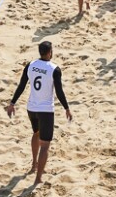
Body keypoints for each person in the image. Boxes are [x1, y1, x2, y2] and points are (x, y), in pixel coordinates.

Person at [5, 41, 72, 186]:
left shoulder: (30, 65)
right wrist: (66, 108)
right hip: (46, 111)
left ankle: (34, 165)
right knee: (45, 145)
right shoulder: (54, 69)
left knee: (36, 133)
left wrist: (12, 103)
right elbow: (59, 91)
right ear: (50, 52)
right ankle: (38, 178)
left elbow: (22, 85)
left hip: (31, 109)